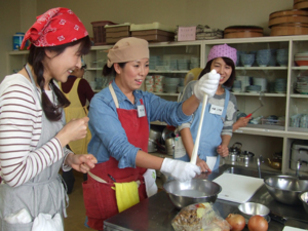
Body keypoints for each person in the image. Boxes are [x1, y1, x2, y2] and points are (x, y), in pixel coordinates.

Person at [82, 37, 220, 230]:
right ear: (118, 67)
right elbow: (121, 149)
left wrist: (197, 95)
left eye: (146, 65)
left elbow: (175, 114)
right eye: (136, 65)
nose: (143, 72)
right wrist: (169, 165)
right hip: (108, 188)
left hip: (137, 183)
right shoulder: (102, 103)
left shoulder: (143, 99)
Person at [0, 7, 97, 231]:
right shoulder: (18, 91)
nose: (79, 65)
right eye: (76, 54)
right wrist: (63, 138)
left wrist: (68, 159)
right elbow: (14, 173)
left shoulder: (48, 88)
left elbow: (40, 147)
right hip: (25, 208)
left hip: (46, 202)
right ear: (51, 50)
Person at [176, 44, 238, 173]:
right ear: (209, 66)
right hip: (186, 152)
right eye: (217, 65)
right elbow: (183, 123)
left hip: (210, 155)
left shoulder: (230, 99)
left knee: (205, 189)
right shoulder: (194, 88)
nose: (222, 71)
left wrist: (224, 146)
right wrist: (195, 158)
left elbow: (227, 128)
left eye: (227, 67)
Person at [59, 60, 95, 192]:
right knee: (85, 157)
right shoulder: (82, 83)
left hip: (63, 125)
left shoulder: (58, 83)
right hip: (80, 126)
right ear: (78, 69)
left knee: (66, 157)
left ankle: (67, 187)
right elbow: (94, 101)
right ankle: (88, 186)